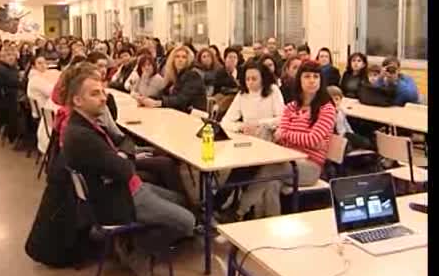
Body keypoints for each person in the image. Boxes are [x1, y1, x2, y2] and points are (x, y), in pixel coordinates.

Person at [62, 66, 196, 276]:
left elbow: (124, 142)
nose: (103, 98)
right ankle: (137, 249)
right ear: (77, 100)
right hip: (119, 197)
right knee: (188, 223)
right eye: (95, 94)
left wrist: (124, 155)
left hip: (122, 186)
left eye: (103, 92)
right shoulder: (81, 136)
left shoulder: (87, 123)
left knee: (181, 199)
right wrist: (124, 156)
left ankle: (130, 240)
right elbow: (125, 168)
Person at [240, 61, 336, 219]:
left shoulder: (326, 108)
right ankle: (267, 225)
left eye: (316, 77)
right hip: (287, 161)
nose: (312, 80)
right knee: (271, 184)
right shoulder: (291, 107)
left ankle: (240, 211)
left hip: (310, 166)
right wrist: (296, 137)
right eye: (307, 76)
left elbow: (311, 139)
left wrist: (287, 134)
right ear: (299, 80)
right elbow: (279, 136)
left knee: (270, 169)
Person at [216, 61, 285, 220]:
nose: (250, 83)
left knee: (242, 170)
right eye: (247, 79)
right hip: (248, 142)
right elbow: (226, 122)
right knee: (239, 168)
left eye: (254, 79)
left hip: (268, 143)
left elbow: (282, 118)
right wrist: (241, 127)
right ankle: (223, 204)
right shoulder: (242, 95)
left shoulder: (273, 91)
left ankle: (221, 204)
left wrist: (261, 123)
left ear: (263, 78)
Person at [136, 45, 207, 112]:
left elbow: (181, 100)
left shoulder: (192, 75)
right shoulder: (174, 76)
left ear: (188, 60)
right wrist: (146, 99)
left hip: (193, 117)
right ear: (173, 60)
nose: (180, 60)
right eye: (177, 57)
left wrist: (157, 103)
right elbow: (163, 94)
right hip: (178, 113)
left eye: (184, 57)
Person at [327, 86, 374, 151]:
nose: (334, 102)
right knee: (365, 142)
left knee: (368, 130)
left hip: (346, 134)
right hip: (339, 137)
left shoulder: (341, 111)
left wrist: (351, 133)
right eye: (331, 100)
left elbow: (345, 123)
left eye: (337, 99)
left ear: (341, 99)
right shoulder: (328, 113)